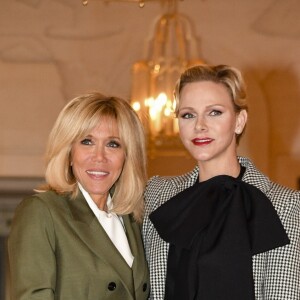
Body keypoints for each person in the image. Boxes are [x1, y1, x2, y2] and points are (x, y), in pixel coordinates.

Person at [142, 64, 300, 300]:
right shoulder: (156, 195)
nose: (199, 125)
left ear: (239, 120)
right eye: (188, 115)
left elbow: (283, 294)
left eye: (214, 112)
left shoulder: (287, 206)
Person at [8, 92, 150, 299]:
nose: (99, 157)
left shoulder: (133, 218)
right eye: (87, 141)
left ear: (128, 156)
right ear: (69, 151)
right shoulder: (41, 212)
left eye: (113, 144)